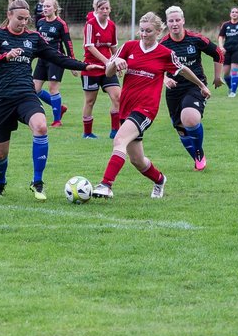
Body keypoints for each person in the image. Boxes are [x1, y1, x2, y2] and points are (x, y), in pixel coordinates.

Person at [0, 0, 102, 199]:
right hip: (0, 99)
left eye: (27, 19)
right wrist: (4, 56)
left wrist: (85, 66)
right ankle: (0, 183)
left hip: (26, 95)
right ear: (9, 15)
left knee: (41, 126)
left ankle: (37, 182)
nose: (24, 23)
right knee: (0, 153)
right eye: (20, 18)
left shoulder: (33, 38)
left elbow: (57, 57)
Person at [91, 11, 213, 200]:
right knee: (137, 160)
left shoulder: (165, 53)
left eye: (148, 31)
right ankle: (159, 179)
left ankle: (106, 185)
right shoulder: (128, 47)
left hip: (146, 109)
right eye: (141, 30)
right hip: (126, 108)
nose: (144, 34)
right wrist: (115, 62)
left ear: (158, 32)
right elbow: (108, 72)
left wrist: (202, 85)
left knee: (119, 141)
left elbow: (183, 70)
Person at [161, 5, 225, 170]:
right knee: (181, 128)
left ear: (183, 21)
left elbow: (218, 53)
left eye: (177, 20)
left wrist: (217, 77)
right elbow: (155, 66)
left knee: (189, 118)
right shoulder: (163, 44)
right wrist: (165, 78)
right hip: (174, 90)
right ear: (167, 23)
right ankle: (198, 155)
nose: (174, 23)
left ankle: (198, 153)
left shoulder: (196, 39)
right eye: (171, 21)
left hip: (195, 85)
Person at [80, 0, 122, 139]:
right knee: (90, 101)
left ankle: (115, 131)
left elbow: (114, 47)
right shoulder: (90, 24)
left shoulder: (112, 25)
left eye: (107, 8)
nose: (104, 10)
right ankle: (87, 133)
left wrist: (118, 63)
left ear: (110, 9)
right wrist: (106, 61)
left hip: (108, 68)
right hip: (91, 68)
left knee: (117, 97)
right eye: (101, 8)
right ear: (96, 10)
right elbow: (90, 47)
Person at [33, 0, 74, 127]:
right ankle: (60, 108)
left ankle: (57, 120)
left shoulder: (61, 24)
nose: (45, 8)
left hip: (56, 59)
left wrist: (72, 62)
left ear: (55, 8)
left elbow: (68, 43)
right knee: (35, 89)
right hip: (42, 59)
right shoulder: (40, 22)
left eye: (48, 6)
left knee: (53, 88)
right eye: (44, 6)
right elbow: (36, 41)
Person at [217, 6, 238, 97]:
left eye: (236, 12)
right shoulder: (225, 25)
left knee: (234, 70)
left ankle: (233, 92)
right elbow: (220, 37)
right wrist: (221, 47)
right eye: (233, 12)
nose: (234, 13)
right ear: (230, 14)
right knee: (226, 74)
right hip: (227, 51)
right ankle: (231, 88)